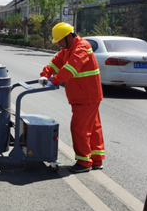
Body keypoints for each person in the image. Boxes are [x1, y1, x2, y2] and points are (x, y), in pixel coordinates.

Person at [39, 23, 104, 173]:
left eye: (60, 41)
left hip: (86, 96)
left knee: (79, 128)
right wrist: (45, 74)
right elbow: (55, 63)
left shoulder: (81, 48)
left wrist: (54, 80)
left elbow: (71, 69)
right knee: (93, 128)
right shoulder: (68, 49)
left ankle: (84, 162)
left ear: (68, 37)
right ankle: (96, 160)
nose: (59, 44)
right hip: (85, 95)